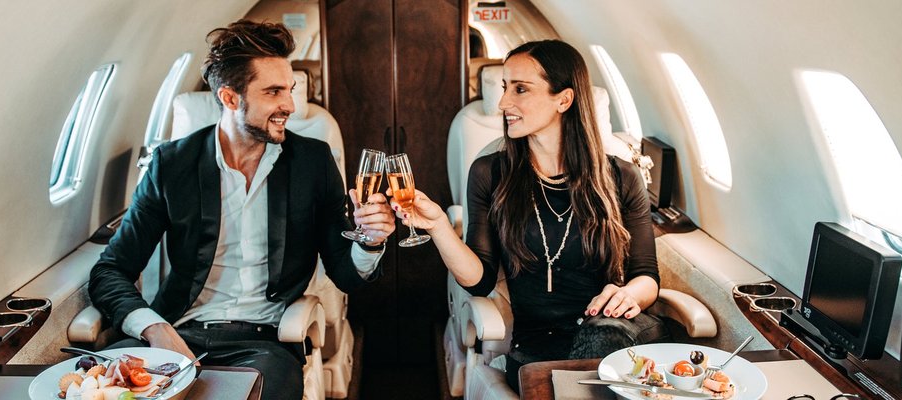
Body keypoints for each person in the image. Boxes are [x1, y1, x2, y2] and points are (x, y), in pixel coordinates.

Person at [88, 20, 396, 400]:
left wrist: (369, 241)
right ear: (230, 98)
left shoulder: (312, 163)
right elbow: (109, 271)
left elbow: (345, 274)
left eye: (290, 90)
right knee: (94, 388)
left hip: (263, 345)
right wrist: (154, 329)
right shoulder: (172, 164)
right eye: (274, 92)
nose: (290, 105)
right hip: (176, 332)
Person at [391, 39, 667, 393]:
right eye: (505, 88)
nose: (504, 102)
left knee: (600, 341)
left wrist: (630, 295)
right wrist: (439, 227)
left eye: (520, 89)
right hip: (535, 346)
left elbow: (646, 276)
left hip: (614, 333)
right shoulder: (489, 174)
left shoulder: (622, 177)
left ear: (564, 100)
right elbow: (480, 281)